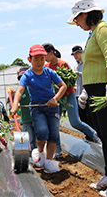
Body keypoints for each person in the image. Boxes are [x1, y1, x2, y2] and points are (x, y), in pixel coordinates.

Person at [67, 0, 107, 196]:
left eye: (77, 18)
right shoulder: (92, 33)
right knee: (103, 135)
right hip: (94, 90)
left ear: (85, 14)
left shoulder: (104, 29)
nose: (76, 23)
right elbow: (92, 64)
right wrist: (86, 90)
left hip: (106, 89)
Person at [11, 44, 67, 174]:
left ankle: (49, 161)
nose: (39, 62)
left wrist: (55, 99)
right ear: (29, 59)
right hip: (37, 107)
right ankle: (40, 152)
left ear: (45, 58)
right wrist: (15, 104)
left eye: (42, 59)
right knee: (42, 132)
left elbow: (62, 86)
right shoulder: (27, 75)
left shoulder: (49, 72)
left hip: (52, 107)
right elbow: (20, 90)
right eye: (36, 59)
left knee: (53, 135)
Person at [43, 43, 101, 151]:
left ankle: (94, 135)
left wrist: (60, 84)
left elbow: (71, 80)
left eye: (45, 55)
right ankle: (58, 150)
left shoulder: (62, 63)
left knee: (74, 122)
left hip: (69, 95)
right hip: (56, 98)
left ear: (51, 53)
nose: (44, 59)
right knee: (54, 124)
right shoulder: (46, 67)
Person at [72, 45, 94, 129]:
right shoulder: (76, 67)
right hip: (78, 94)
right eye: (74, 54)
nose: (75, 56)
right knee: (82, 116)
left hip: (87, 93)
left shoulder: (86, 64)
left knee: (90, 115)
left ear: (82, 53)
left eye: (77, 53)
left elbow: (90, 75)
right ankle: (88, 135)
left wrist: (79, 74)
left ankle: (94, 134)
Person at [17, 66, 37, 156]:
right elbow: (17, 100)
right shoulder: (20, 90)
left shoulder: (35, 88)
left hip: (36, 117)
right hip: (25, 119)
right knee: (28, 138)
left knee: (37, 138)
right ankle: (27, 156)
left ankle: (36, 155)